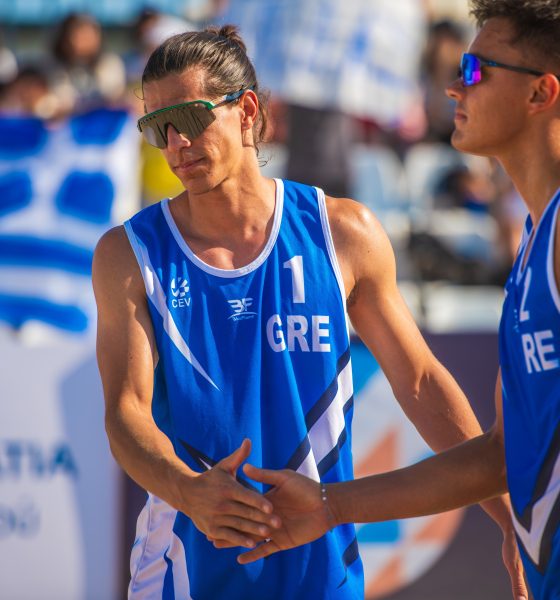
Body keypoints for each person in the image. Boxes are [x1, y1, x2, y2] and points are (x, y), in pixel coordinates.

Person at [92, 25, 524, 599]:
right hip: (184, 573)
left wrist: (507, 516)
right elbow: (125, 413)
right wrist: (188, 489)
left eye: (191, 118)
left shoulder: (343, 231)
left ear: (247, 110)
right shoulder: (129, 253)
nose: (176, 144)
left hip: (322, 573)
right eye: (157, 128)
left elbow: (420, 381)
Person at [236, 2, 560, 599]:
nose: (453, 86)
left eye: (475, 71)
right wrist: (331, 504)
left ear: (541, 92)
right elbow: (498, 457)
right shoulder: (535, 242)